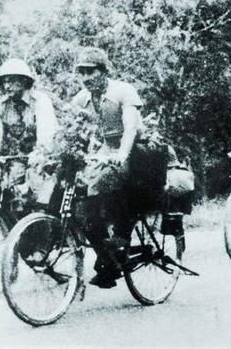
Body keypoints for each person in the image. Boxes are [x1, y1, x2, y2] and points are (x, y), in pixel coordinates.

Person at [71, 46, 145, 288]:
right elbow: (74, 130)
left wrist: (121, 153)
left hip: (134, 150)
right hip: (104, 153)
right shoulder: (82, 99)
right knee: (80, 202)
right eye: (81, 72)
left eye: (90, 72)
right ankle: (106, 255)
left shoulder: (122, 91)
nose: (85, 78)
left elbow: (131, 127)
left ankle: (120, 240)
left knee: (104, 183)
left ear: (103, 71)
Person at [0, 58, 58, 205]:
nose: (6, 86)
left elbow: (47, 140)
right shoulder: (4, 106)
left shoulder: (40, 102)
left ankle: (38, 213)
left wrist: (38, 156)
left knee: (35, 194)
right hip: (18, 160)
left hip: (43, 161)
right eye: (4, 82)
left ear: (24, 81)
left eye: (11, 81)